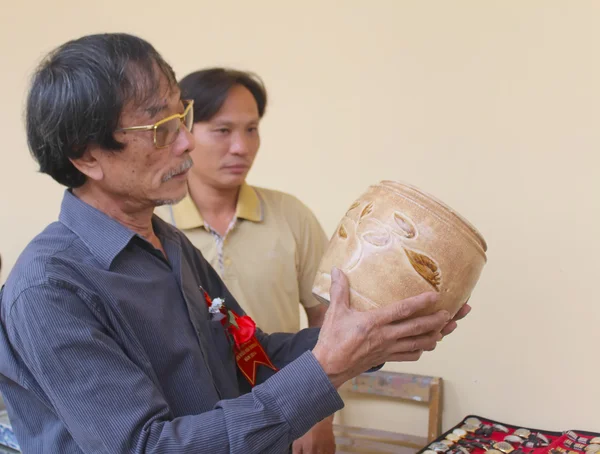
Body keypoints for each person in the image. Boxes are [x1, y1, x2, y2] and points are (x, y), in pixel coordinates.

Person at [0, 33, 470, 453]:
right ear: (87, 156)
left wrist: (373, 333)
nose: (186, 142)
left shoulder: (167, 244)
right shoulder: (48, 290)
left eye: (180, 115)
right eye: (159, 128)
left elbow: (253, 357)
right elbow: (147, 447)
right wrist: (325, 371)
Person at [154, 68, 334, 452]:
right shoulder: (154, 227)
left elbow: (328, 321)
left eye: (251, 129)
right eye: (222, 130)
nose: (241, 147)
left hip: (289, 418)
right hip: (195, 435)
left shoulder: (291, 215)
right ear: (183, 133)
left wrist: (316, 414)